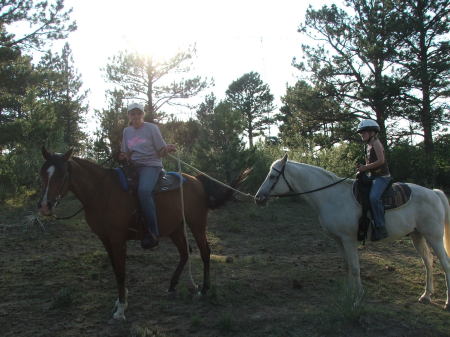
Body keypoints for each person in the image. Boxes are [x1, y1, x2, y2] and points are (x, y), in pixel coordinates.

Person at [119, 103, 176, 249]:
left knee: (144, 191)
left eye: (139, 114)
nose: (136, 117)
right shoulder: (127, 131)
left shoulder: (151, 128)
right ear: (129, 116)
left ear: (143, 115)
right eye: (133, 114)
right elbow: (126, 152)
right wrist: (123, 156)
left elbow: (161, 150)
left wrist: (167, 149)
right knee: (115, 184)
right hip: (133, 166)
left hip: (151, 165)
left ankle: (153, 232)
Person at [356, 119, 391, 241]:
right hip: (373, 176)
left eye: (363, 132)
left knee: (374, 198)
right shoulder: (368, 146)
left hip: (382, 177)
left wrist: (366, 167)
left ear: (372, 132)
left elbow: (381, 161)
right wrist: (362, 170)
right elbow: (369, 163)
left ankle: (381, 227)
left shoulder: (376, 143)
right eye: (361, 132)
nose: (361, 134)